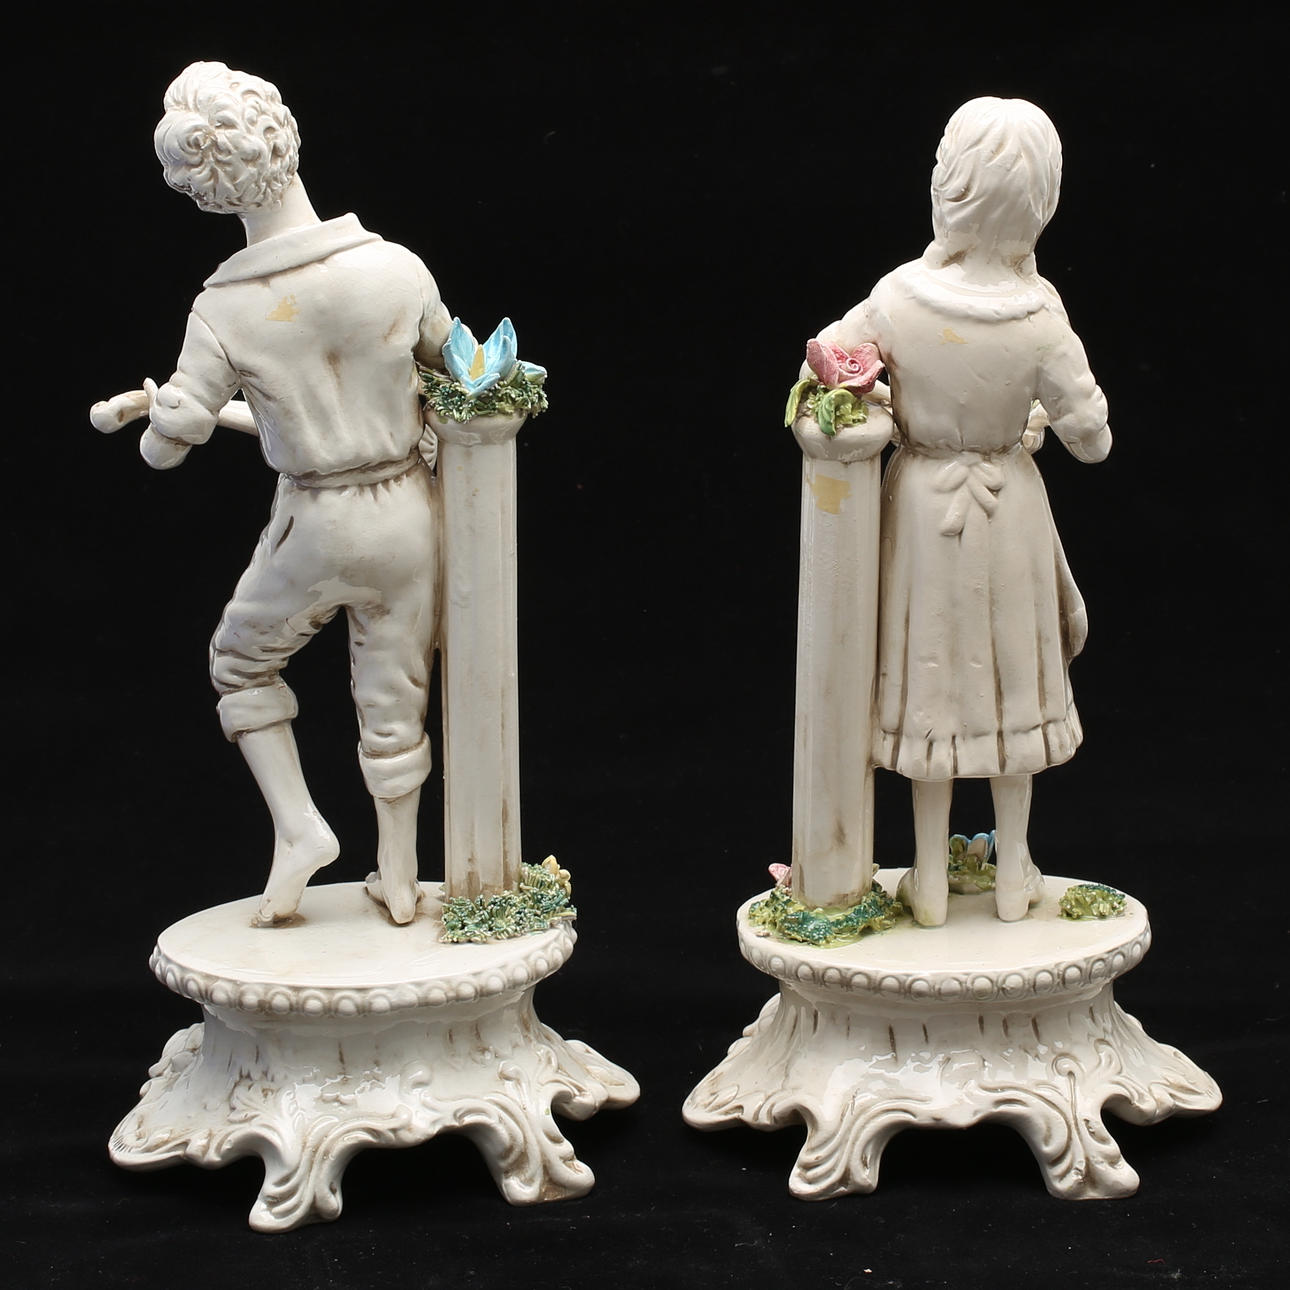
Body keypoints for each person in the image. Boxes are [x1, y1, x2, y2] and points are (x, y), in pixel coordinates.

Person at [91, 62, 452, 926]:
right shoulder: (395, 268)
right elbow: (465, 377)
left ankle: (298, 828)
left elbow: (163, 452)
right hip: (409, 511)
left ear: (202, 190)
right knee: (395, 693)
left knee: (240, 662)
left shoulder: (224, 310)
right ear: (283, 139)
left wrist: (168, 417)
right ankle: (401, 877)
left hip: (315, 522)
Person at [807, 97, 1111, 925]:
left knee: (933, 684)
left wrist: (874, 401)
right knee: (1010, 682)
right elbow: (1092, 438)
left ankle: (932, 881)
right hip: (1008, 511)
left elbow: (826, 360)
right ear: (1041, 203)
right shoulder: (1040, 314)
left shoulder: (900, 297)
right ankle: (1013, 875)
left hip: (922, 509)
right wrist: (1040, 420)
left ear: (949, 186)